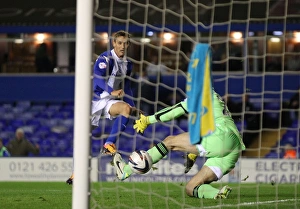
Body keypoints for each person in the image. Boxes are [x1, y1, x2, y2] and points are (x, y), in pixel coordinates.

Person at [114, 90, 246, 199]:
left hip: (222, 135)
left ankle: (126, 171)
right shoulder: (211, 100)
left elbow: (176, 110)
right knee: (191, 188)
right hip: (233, 149)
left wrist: (148, 120)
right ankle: (217, 194)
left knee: (170, 141)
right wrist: (193, 152)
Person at [66, 30, 140, 184]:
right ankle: (76, 173)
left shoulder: (128, 64)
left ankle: (109, 144)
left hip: (109, 101)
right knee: (81, 138)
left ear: (129, 45)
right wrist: (111, 90)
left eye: (125, 43)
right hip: (93, 101)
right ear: (114, 43)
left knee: (125, 109)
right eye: (119, 43)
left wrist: (133, 106)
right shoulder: (105, 58)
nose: (122, 46)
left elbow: (127, 87)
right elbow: (98, 79)